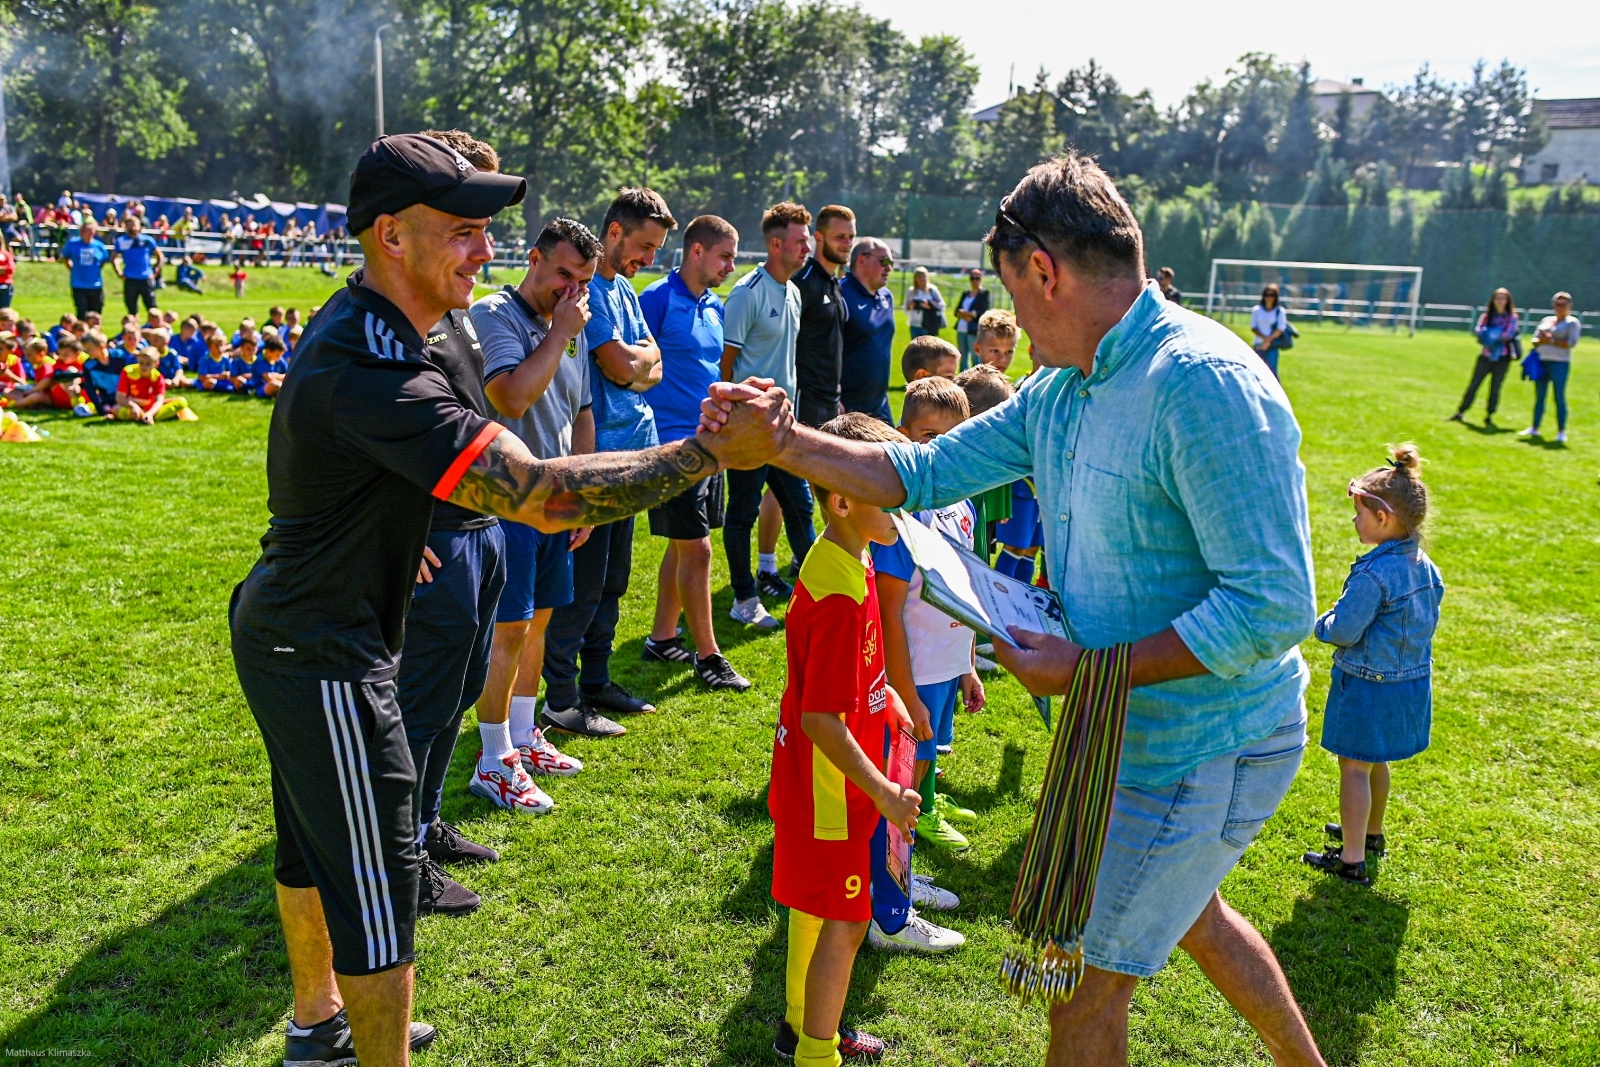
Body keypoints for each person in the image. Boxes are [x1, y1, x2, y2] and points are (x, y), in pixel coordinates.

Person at [706, 152, 1327, 1067]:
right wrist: (783, 440)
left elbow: (1274, 606)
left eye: (1012, 295)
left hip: (1209, 742)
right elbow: (912, 472)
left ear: (1046, 273)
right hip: (1130, 730)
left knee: (1074, 988)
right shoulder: (1060, 389)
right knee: (1195, 917)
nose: (1007, 328)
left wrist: (1087, 668)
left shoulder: (1202, 384)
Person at [229, 133, 790, 1067]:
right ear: (389, 237)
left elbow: (390, 465)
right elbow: (534, 491)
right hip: (317, 643)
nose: (485, 251)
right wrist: (701, 456)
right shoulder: (368, 361)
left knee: (313, 841)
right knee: (375, 873)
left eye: (487, 230)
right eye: (461, 230)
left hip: (314, 621)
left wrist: (389, 528)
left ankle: (317, 1020)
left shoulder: (427, 324)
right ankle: (352, 1042)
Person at [767, 411, 922, 1067]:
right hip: (832, 792)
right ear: (841, 499)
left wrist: (887, 702)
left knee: (816, 907)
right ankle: (818, 1053)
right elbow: (821, 718)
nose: (901, 510)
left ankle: (802, 1022)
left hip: (821, 781)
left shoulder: (843, 559)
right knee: (849, 919)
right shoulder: (835, 591)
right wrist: (885, 792)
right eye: (889, 497)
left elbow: (846, 684)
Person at [468, 215, 601, 816]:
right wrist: (563, 331)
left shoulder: (568, 326)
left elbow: (582, 412)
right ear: (533, 258)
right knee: (509, 631)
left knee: (541, 624)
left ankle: (523, 736)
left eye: (583, 281)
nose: (570, 290)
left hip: (554, 501)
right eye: (563, 275)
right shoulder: (497, 314)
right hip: (504, 500)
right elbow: (510, 396)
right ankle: (492, 759)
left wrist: (586, 493)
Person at [541, 187, 676, 738]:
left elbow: (654, 363)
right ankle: (561, 698)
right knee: (583, 584)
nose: (649, 259)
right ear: (614, 232)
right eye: (645, 245)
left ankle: (596, 681)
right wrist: (637, 362)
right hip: (596, 457)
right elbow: (622, 367)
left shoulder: (624, 288)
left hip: (634, 455)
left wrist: (638, 361)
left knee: (614, 578)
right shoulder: (588, 288)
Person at [1303, 445, 1442, 888]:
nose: (1354, 521)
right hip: (1409, 684)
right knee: (1375, 760)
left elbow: (1344, 630)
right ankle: (1372, 833)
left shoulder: (1373, 575)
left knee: (1354, 768)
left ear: (1383, 518)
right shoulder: (1427, 567)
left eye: (1359, 513)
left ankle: (1351, 857)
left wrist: (1322, 623)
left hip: (1366, 686)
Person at [639, 214, 752, 690]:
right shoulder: (656, 300)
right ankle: (709, 657)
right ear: (697, 251)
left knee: (684, 543)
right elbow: (632, 368)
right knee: (699, 549)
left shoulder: (715, 306)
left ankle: (663, 637)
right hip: (672, 446)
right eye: (725, 256)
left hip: (709, 442)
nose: (731, 266)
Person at [873, 377, 983, 860]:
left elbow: (967, 590)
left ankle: (929, 802)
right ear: (902, 437)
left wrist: (969, 664)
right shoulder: (903, 518)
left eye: (952, 440)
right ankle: (904, 833)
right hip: (914, 665)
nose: (939, 452)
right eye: (926, 439)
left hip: (947, 658)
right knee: (908, 750)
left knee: (931, 745)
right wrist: (903, 687)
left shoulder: (964, 505)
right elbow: (888, 610)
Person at [721, 202, 817, 630]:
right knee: (742, 512)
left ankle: (818, 592)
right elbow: (726, 364)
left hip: (784, 427)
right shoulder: (747, 292)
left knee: (801, 505)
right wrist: (732, 420)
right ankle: (743, 598)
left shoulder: (794, 291)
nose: (807, 249)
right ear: (776, 244)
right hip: (748, 428)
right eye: (799, 242)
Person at [792, 204, 855, 429]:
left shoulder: (834, 284)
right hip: (805, 401)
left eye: (850, 237)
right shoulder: (803, 282)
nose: (847, 243)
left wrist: (836, 400)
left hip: (831, 402)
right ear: (818, 237)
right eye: (840, 237)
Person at [837, 237, 896, 423]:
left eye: (891, 263)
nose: (889, 268)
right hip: (848, 406)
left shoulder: (887, 297)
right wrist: (833, 398)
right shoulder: (839, 295)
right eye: (884, 261)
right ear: (862, 260)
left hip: (880, 403)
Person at [1450, 287, 1519, 425]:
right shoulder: (1487, 316)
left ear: (1507, 301)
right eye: (1497, 298)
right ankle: (1460, 411)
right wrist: (1490, 334)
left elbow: (1508, 334)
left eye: (1503, 298)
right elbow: (1478, 331)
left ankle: (1489, 415)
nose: (1500, 301)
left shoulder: (1512, 317)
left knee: (1495, 388)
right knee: (1473, 385)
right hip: (1485, 356)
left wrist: (1490, 335)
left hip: (1502, 358)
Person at [1519, 291, 1580, 444]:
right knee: (1539, 396)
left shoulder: (1572, 323)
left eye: (1563, 304)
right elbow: (1535, 339)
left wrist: (1551, 340)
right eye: (1557, 304)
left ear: (1569, 306)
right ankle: (1535, 427)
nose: (1560, 307)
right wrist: (1541, 340)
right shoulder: (1546, 320)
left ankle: (1561, 431)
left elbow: (1571, 343)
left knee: (1559, 397)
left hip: (1559, 363)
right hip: (1541, 361)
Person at [113, 346, 196, 422]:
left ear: (156, 364)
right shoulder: (128, 372)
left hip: (150, 408)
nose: (144, 367)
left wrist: (150, 413)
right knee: (116, 409)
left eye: (148, 364)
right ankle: (156, 417)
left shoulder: (158, 378)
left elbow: (159, 401)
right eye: (141, 363)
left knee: (181, 402)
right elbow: (120, 397)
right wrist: (133, 406)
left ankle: (146, 417)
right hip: (130, 407)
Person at [112, 215, 164, 315]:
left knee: (152, 307)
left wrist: (157, 269)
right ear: (126, 226)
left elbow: (160, 255)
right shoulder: (122, 241)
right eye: (129, 225)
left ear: (140, 226)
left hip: (146, 277)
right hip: (130, 278)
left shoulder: (147, 240)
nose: (133, 227)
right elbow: (113, 258)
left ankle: (155, 327)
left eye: (134, 225)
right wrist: (119, 272)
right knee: (131, 308)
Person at [60, 221, 111, 319]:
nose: (89, 233)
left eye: (92, 230)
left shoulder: (99, 246)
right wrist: (72, 268)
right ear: (81, 232)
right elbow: (65, 258)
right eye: (87, 230)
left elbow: (104, 261)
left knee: (96, 313)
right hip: (79, 284)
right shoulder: (72, 243)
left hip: (95, 284)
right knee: (82, 311)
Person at [952, 268, 991, 369]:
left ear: (981, 279)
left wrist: (967, 314)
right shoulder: (966, 293)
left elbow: (983, 311)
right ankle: (963, 379)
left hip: (973, 329)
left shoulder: (984, 294)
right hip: (961, 328)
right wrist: (966, 315)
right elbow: (956, 311)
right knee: (962, 355)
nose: (974, 281)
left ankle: (976, 378)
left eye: (977, 278)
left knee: (975, 356)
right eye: (972, 278)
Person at [1249, 284, 1288, 378]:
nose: (1269, 297)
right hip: (1258, 345)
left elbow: (1281, 328)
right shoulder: (1256, 310)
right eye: (1267, 294)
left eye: (1272, 295)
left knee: (1272, 373)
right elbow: (1254, 327)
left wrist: (1268, 341)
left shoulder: (1279, 311)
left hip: (1272, 346)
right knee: (1255, 372)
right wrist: (1263, 338)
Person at [903, 267, 944, 339]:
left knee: (928, 348)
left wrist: (929, 305)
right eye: (919, 277)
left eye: (923, 276)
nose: (921, 279)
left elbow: (941, 305)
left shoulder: (932, 289)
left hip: (929, 323)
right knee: (916, 348)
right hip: (914, 324)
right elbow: (906, 308)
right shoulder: (911, 291)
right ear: (915, 278)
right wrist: (911, 305)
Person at [973, 308, 1018, 373]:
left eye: (1009, 352)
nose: (1003, 359)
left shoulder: (1022, 382)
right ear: (977, 349)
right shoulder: (965, 382)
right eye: (995, 351)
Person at [0, 231, 15, 309]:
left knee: (4, 312)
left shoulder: (6, 254)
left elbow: (10, 269)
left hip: (5, 286)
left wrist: (3, 269)